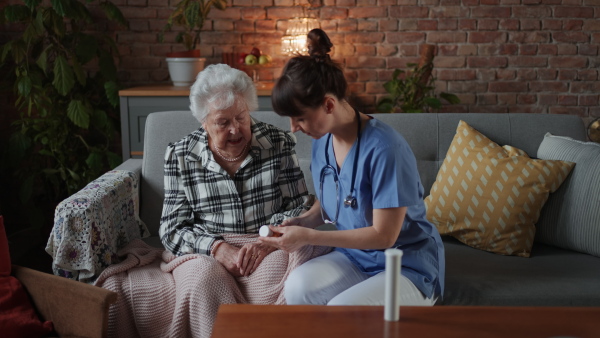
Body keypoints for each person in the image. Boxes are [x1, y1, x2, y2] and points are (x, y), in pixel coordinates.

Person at [259, 29, 445, 306]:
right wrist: (302, 222)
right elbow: (334, 201)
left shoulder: (385, 149)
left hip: (405, 263)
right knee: (297, 286)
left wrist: (308, 236)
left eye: (299, 118)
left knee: (341, 310)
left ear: (329, 104)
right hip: (356, 257)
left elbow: (384, 236)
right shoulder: (322, 141)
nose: (294, 129)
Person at [159, 63, 313, 277]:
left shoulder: (278, 142)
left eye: (241, 117)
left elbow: (300, 208)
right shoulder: (181, 155)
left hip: (267, 244)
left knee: (283, 274)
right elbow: (171, 229)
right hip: (208, 250)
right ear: (204, 122)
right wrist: (217, 248)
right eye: (223, 122)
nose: (235, 129)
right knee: (202, 279)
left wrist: (268, 240)